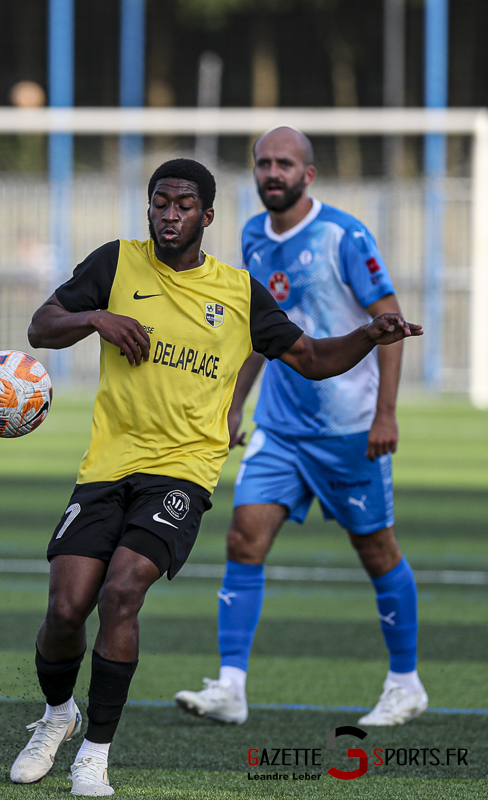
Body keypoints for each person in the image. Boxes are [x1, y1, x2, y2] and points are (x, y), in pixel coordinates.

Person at [8, 158, 421, 797]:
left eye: (183, 204)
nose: (170, 214)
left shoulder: (238, 291)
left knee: (122, 592)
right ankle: (59, 716)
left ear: (206, 214)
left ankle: (95, 752)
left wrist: (368, 335)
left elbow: (309, 358)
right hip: (107, 465)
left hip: (184, 471)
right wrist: (96, 319)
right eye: (160, 202)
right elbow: (41, 326)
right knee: (66, 609)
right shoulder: (115, 264)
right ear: (148, 209)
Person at [173, 127, 427, 728]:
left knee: (376, 549)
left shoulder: (344, 234)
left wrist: (385, 413)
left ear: (308, 174)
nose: (272, 172)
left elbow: (387, 322)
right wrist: (235, 405)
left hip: (347, 429)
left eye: (284, 163)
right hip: (281, 429)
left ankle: (406, 682)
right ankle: (231, 686)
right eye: (263, 163)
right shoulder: (253, 234)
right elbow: (265, 330)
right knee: (243, 538)